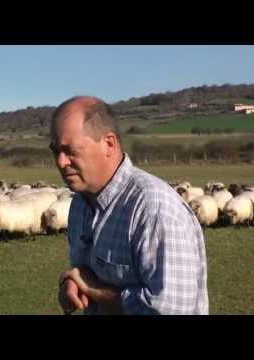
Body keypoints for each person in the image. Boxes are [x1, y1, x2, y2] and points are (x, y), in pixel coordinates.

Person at [50, 96, 208, 315]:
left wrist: (95, 291)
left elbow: (170, 309)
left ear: (109, 144)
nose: (60, 162)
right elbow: (88, 274)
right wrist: (74, 284)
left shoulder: (153, 208)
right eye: (55, 150)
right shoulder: (80, 204)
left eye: (71, 150)